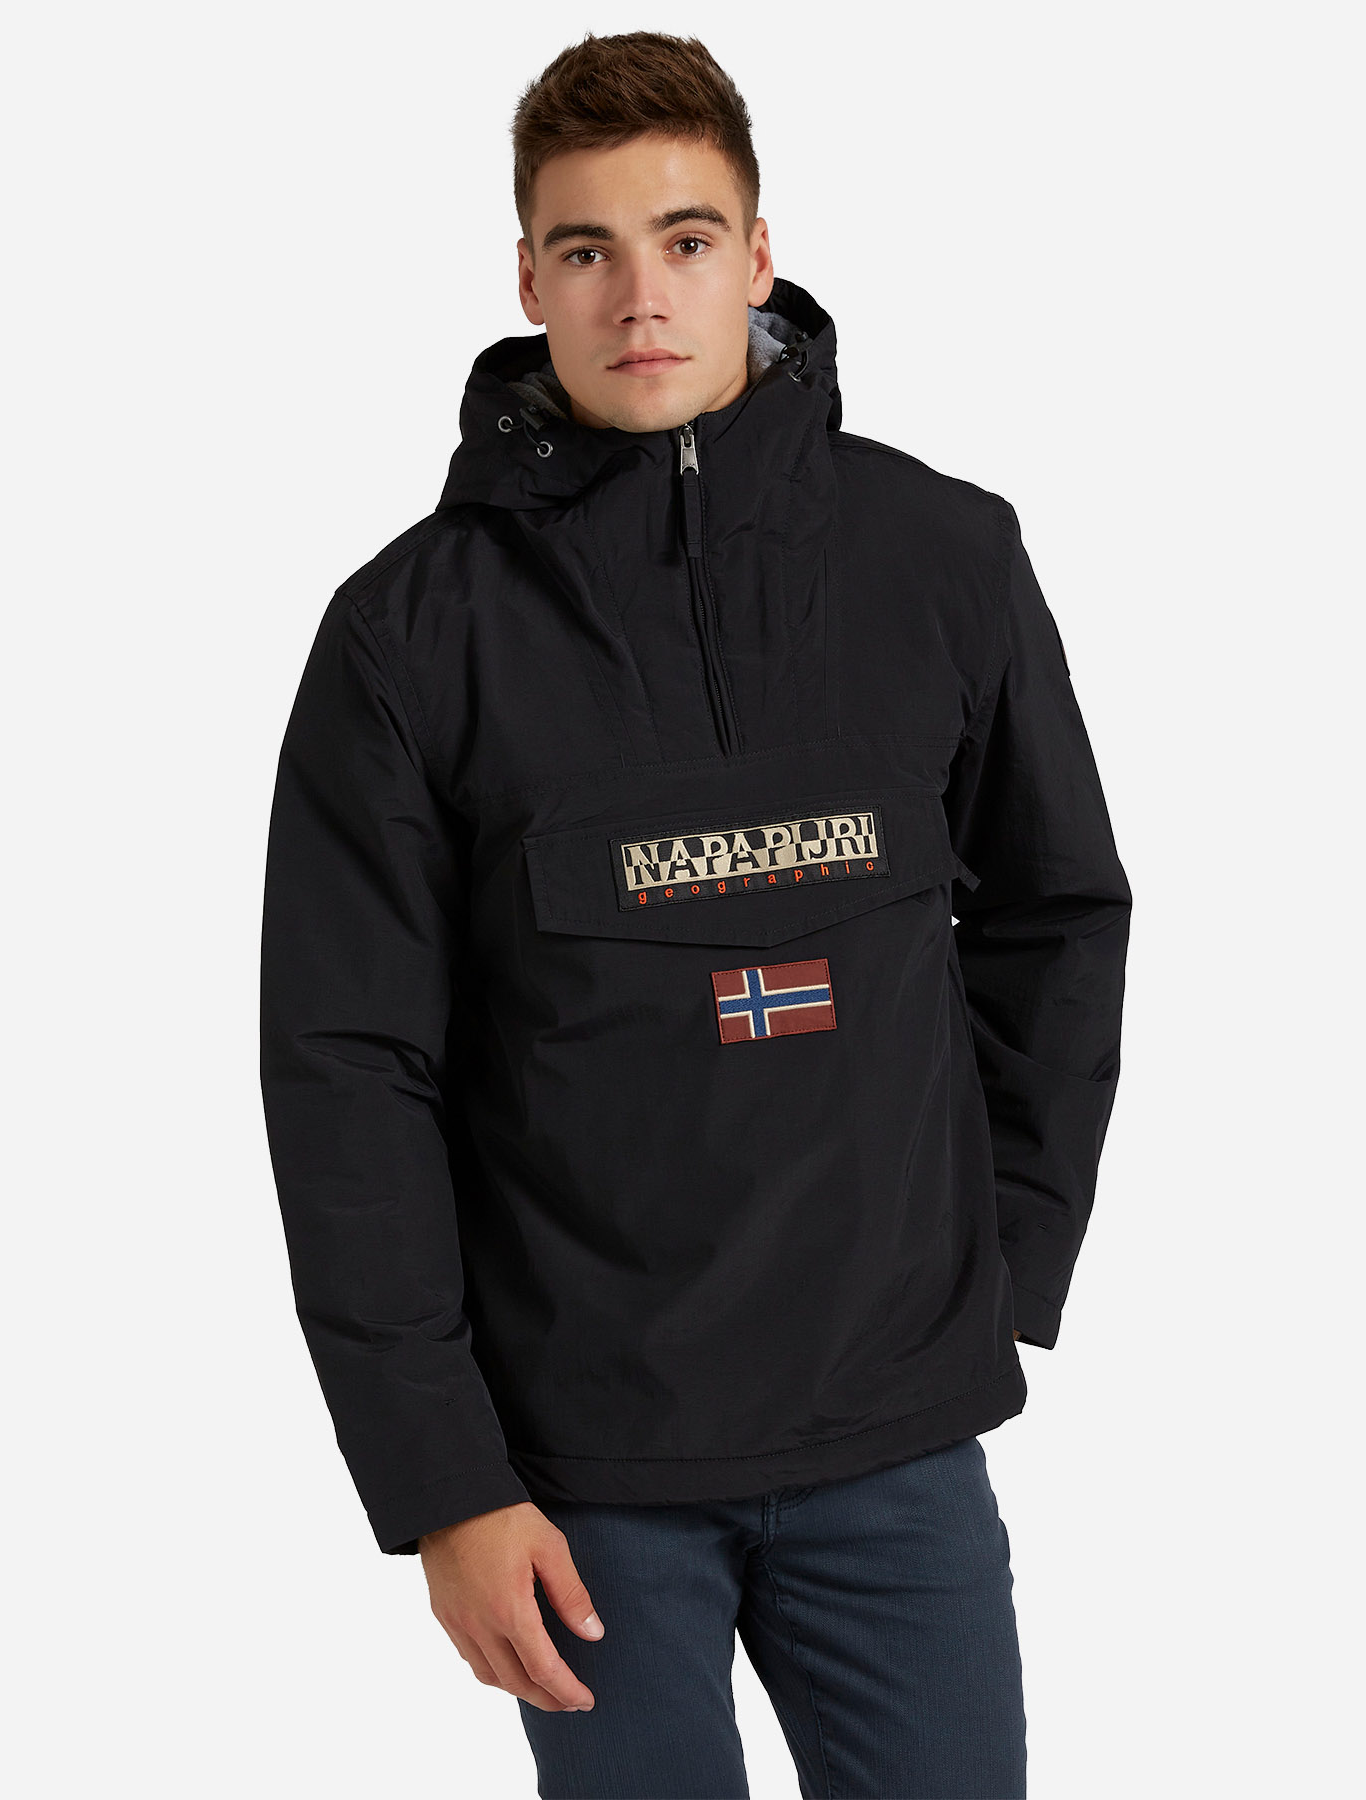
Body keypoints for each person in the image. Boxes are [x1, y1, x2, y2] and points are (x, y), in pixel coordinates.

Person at [259, 29, 1131, 1800]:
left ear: (759, 255)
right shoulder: (408, 636)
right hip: (583, 1479)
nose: (640, 296)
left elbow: (1056, 916)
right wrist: (441, 1481)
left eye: (684, 239)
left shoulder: (947, 558)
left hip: (899, 1443)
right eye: (586, 249)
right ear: (528, 278)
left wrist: (1003, 1268)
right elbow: (348, 1072)